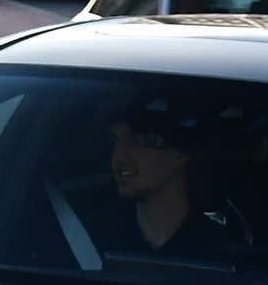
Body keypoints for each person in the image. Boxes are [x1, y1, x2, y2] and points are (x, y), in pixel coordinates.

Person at [103, 95, 251, 256]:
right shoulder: (94, 237)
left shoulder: (222, 250)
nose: (119, 155)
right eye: (115, 140)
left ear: (181, 152)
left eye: (142, 140)